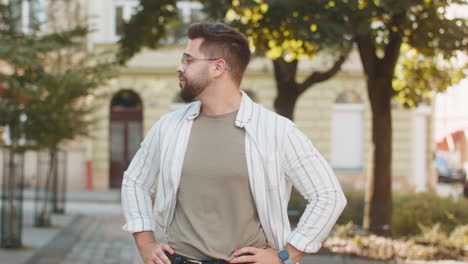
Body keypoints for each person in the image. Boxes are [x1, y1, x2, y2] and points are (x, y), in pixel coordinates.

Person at [121, 22, 347, 264]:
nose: (180, 67)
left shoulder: (276, 131)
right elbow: (135, 182)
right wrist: (146, 244)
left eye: (188, 60)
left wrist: (286, 256)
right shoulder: (169, 127)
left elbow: (329, 195)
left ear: (218, 67)